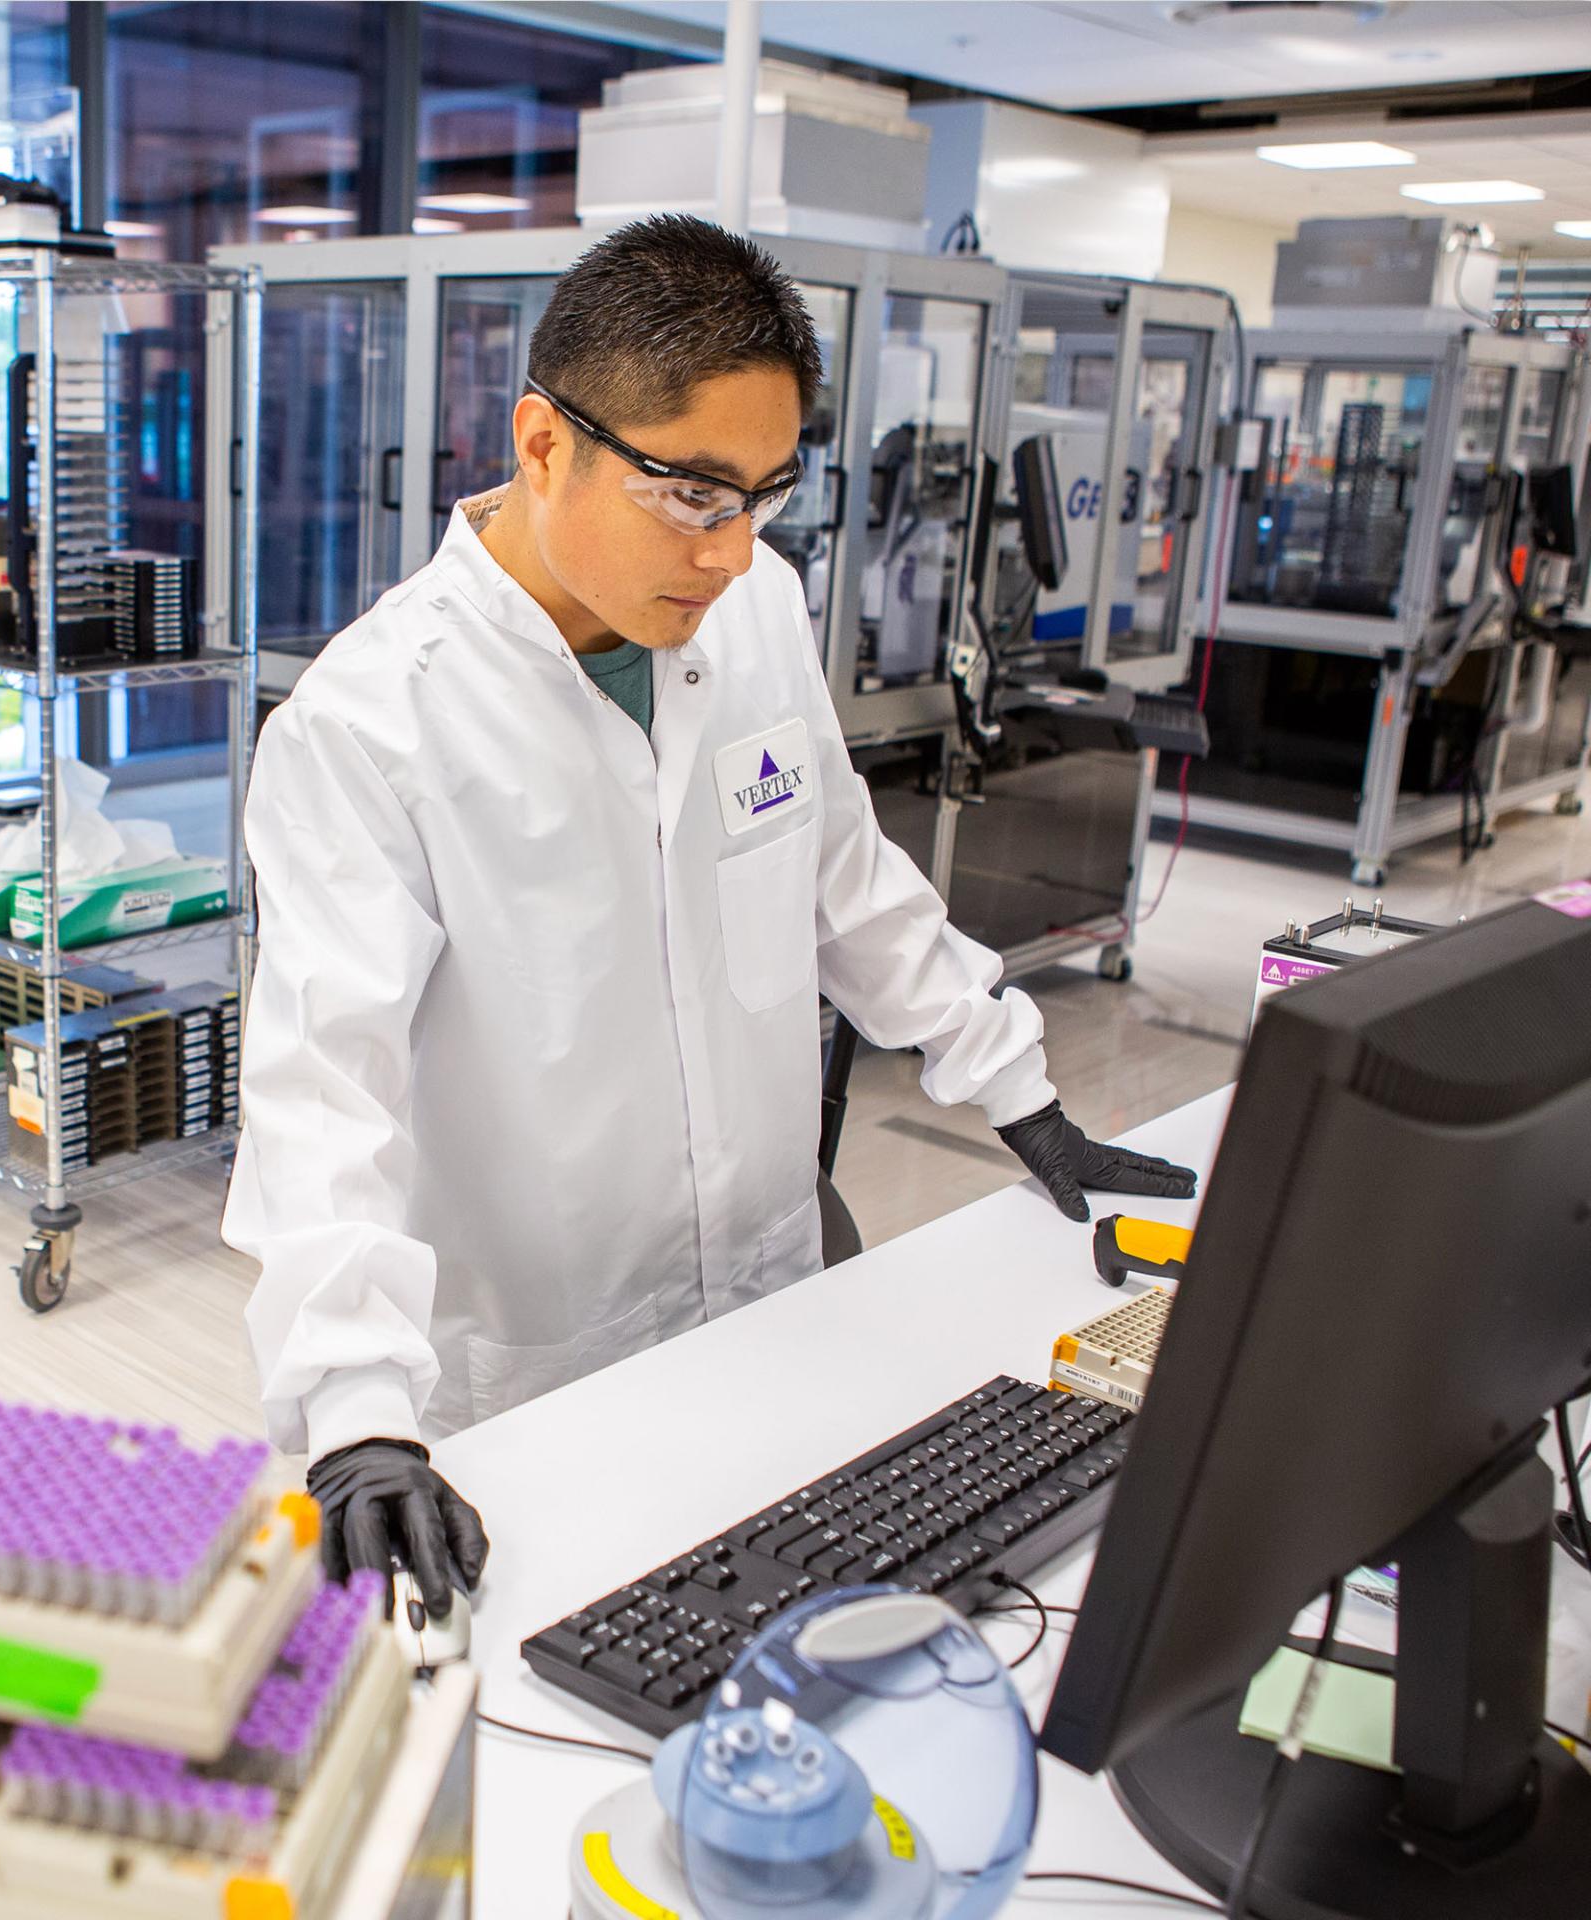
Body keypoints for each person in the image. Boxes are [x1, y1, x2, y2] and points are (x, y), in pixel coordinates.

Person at [223, 215, 1196, 1620]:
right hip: (537, 1385)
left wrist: (1021, 1095)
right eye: (692, 492)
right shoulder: (373, 727)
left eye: (766, 494)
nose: (732, 549)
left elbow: (844, 882)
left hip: (774, 1311)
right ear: (543, 444)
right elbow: (326, 1091)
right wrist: (362, 1411)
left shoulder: (755, 617)